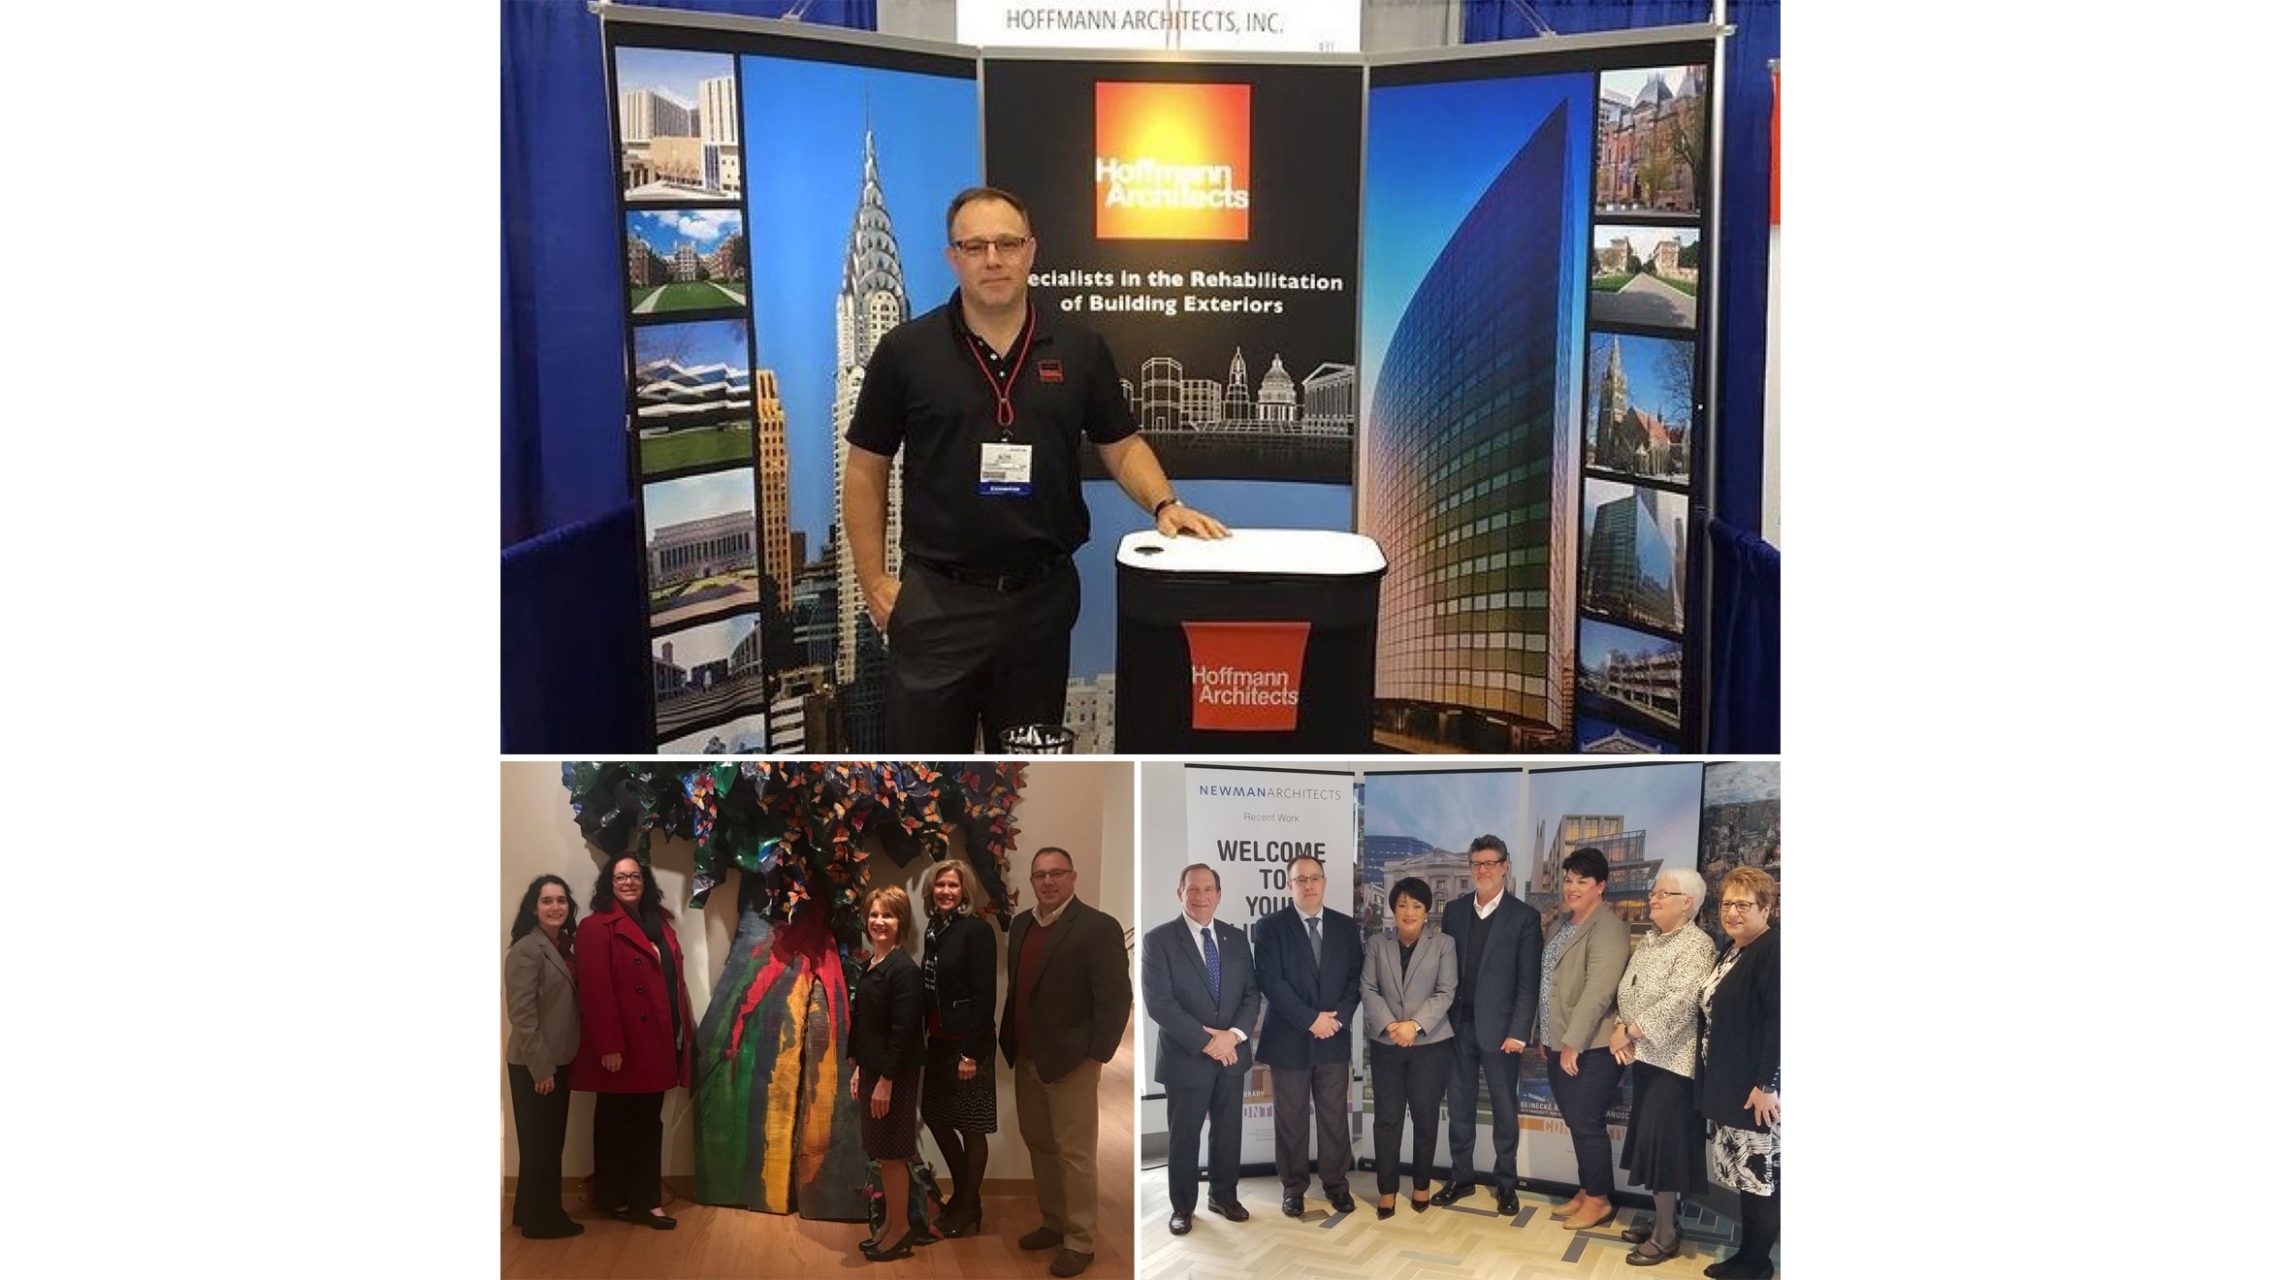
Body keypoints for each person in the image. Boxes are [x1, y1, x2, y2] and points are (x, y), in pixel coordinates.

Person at [842, 184, 1228, 752]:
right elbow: (865, 468)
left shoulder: (1080, 348)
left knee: (1026, 783)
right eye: (974, 247)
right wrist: (873, 581)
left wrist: (1165, 504)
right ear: (953, 257)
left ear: (1031, 251)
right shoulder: (906, 351)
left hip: (1038, 607)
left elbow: (1120, 444)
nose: (992, 259)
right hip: (937, 605)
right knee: (924, 787)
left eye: (1006, 243)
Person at [998, 846, 1131, 1279]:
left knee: (1075, 1154)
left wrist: (1097, 1056)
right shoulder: (1020, 926)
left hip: (1073, 1062)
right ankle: (1053, 1222)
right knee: (1039, 1143)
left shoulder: (1097, 927)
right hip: (1028, 1057)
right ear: (1032, 881)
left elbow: (1116, 1000)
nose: (1048, 881)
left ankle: (1080, 1240)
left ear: (1073, 877)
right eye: (1040, 875)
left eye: (1057, 873)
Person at [569, 856, 693, 1231]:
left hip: (657, 1041)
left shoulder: (662, 926)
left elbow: (673, 983)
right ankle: (620, 1199)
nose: (628, 882)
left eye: (634, 876)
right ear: (609, 883)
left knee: (646, 1124)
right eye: (620, 877)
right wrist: (608, 1045)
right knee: (614, 1123)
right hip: (622, 1049)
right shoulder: (595, 927)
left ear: (645, 881)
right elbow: (595, 991)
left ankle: (643, 1200)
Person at [1140, 863, 1261, 1237]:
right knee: (1184, 1136)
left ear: (1219, 895)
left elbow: (1251, 995)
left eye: (1208, 889)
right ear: (1180, 893)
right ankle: (1183, 1207)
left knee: (1228, 1132)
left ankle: (1224, 1197)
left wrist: (1235, 1036)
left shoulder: (1236, 939)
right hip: (1186, 1058)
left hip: (1231, 1057)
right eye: (1193, 889)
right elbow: (1160, 1004)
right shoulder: (1158, 940)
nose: (1201, 896)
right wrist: (1210, 1042)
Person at [1608, 869, 1716, 1266]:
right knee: (1651, 1145)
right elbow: (1629, 990)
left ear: (1687, 902)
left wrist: (1632, 1032)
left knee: (1664, 1148)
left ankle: (1667, 1234)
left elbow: (1682, 1001)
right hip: (1646, 1060)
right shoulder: (1651, 941)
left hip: (1674, 1065)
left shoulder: (1697, 945)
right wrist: (1622, 1028)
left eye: (1662, 893)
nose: (1652, 898)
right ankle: (1661, 1221)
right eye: (1653, 892)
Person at [1431, 834, 1540, 1217]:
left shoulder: (1524, 917)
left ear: (1505, 866)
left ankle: (1506, 1183)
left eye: (1490, 863)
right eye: (1476, 864)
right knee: (1458, 1105)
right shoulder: (1455, 911)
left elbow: (1529, 982)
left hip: (1500, 1033)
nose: (1483, 870)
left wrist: (1518, 1032)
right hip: (1457, 1027)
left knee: (1503, 1109)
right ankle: (1460, 1177)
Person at [1254, 853, 1362, 1218]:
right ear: (1289, 885)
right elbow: (1272, 983)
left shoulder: (1346, 928)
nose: (1309, 885)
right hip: (1289, 1040)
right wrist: (1310, 1020)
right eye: (1301, 879)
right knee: (1291, 1118)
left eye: (1315, 878)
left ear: (1325, 882)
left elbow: (1355, 980)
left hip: (1333, 1037)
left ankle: (1336, 1184)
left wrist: (1337, 1019)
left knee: (1334, 1116)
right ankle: (1293, 1187)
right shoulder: (1269, 927)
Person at [1537, 845, 1632, 1232]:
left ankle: (1599, 1200)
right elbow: (1549, 984)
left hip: (1590, 1046)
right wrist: (1546, 1035)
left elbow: (1599, 992)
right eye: (1568, 880)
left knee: (1587, 1122)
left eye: (1582, 881)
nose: (1572, 887)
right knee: (1576, 1122)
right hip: (1558, 1041)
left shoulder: (1608, 928)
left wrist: (1572, 1042)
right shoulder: (1563, 925)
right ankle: (1586, 1188)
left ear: (1601, 886)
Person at [1696, 867, 1780, 1279]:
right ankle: (1748, 1258)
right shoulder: (1733, 950)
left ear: (1767, 908)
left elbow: (1782, 1022)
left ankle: (1757, 1264)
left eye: (1743, 904)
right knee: (1749, 1179)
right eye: (1727, 903)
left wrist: (1768, 1084)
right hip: (1734, 1084)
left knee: (1761, 1180)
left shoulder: (1774, 950)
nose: (1731, 911)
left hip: (1759, 1093)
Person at [1358, 877, 1458, 1219]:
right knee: (1387, 1120)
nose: (1409, 911)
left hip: (1430, 1045)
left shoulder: (1443, 944)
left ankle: (1421, 1186)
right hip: (1386, 1046)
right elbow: (1368, 989)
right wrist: (1391, 1026)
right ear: (1393, 909)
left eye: (1416, 905)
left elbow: (1446, 991)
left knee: (1426, 1118)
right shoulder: (1376, 943)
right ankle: (1387, 1190)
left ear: (1427, 910)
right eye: (1402, 905)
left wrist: (1413, 1026)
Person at [919, 859, 997, 1238]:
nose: (946, 891)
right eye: (940, 885)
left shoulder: (976, 931)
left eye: (953, 885)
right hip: (938, 1041)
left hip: (968, 1044)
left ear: (964, 891)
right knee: (935, 1115)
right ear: (931, 891)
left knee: (971, 1126)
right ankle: (970, 1198)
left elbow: (985, 997)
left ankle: (965, 1205)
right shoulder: (934, 930)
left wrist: (971, 1053)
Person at [851, 885, 928, 1263]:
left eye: (888, 915)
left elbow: (903, 1032)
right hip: (874, 1071)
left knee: (894, 1155)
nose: (879, 921)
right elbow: (866, 1024)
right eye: (874, 914)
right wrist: (860, 1069)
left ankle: (900, 1230)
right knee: (882, 1154)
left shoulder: (904, 971)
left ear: (902, 922)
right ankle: (890, 1225)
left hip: (893, 1076)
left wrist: (884, 1081)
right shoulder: (873, 963)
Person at [505, 875, 584, 1239]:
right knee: (543, 1146)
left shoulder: (562, 946)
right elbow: (521, 1015)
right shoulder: (526, 949)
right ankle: (543, 1220)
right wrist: (541, 1069)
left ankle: (527, 1211)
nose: (555, 907)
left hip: (557, 1060)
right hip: (535, 1065)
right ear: (533, 907)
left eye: (561, 900)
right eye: (546, 900)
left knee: (544, 1143)